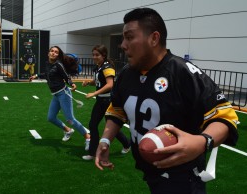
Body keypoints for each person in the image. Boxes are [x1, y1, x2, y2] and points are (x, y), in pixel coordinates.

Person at [94, 8, 239, 194]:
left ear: (154, 38)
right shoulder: (126, 75)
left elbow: (225, 117)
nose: (122, 45)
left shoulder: (183, 73)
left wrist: (202, 142)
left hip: (183, 179)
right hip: (150, 172)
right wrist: (106, 139)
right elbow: (117, 110)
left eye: (129, 37)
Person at [29, 46, 90, 150]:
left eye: (56, 52)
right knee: (51, 118)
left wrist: (72, 84)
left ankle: (88, 137)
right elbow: (47, 74)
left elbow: (66, 77)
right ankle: (68, 130)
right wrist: (36, 75)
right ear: (48, 53)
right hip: (56, 95)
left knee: (70, 119)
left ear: (58, 55)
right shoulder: (48, 64)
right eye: (52, 51)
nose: (53, 53)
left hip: (63, 93)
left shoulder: (58, 65)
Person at [81, 45, 131, 160]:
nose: (94, 57)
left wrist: (94, 93)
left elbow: (110, 84)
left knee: (108, 127)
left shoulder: (107, 67)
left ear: (103, 55)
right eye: (93, 55)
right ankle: (93, 152)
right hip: (101, 100)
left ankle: (126, 144)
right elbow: (99, 81)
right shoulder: (99, 67)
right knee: (94, 125)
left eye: (97, 55)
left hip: (108, 101)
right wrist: (89, 82)